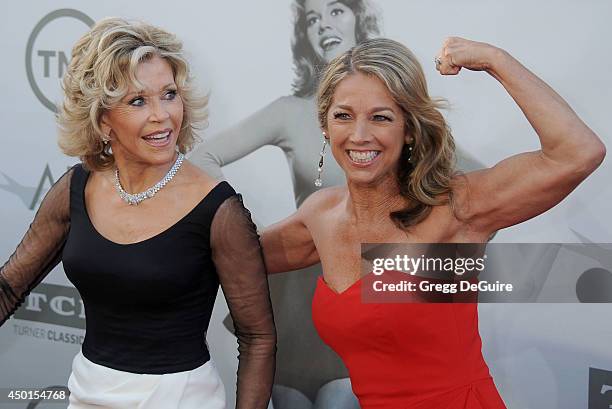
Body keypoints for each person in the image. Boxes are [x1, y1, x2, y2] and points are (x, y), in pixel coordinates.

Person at [260, 37, 606, 408]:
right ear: (325, 125)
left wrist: (495, 60)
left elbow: (577, 152)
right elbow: (229, 251)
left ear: (409, 128)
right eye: (344, 115)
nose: (360, 135)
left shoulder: (455, 209)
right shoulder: (321, 216)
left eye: (381, 117)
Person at [190, 1, 481, 407]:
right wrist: (232, 223)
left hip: (371, 296)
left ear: (360, 19)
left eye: (336, 10)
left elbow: (472, 189)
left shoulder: (400, 115)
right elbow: (201, 158)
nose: (323, 24)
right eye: (311, 18)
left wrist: (427, 250)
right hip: (297, 294)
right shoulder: (290, 111)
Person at [0, 18, 276, 409]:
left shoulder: (219, 209)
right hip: (87, 392)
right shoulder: (76, 188)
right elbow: (8, 288)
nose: (163, 116)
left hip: (178, 399)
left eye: (169, 94)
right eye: (137, 101)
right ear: (101, 120)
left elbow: (257, 337)